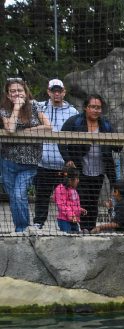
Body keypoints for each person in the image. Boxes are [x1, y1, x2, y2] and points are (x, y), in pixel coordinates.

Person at [59, 94, 121, 233]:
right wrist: (67, 159)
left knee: (93, 200)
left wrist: (117, 144)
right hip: (79, 169)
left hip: (99, 169)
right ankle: (82, 227)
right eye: (93, 107)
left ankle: (91, 228)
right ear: (86, 108)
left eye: (98, 107)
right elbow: (61, 139)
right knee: (81, 199)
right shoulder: (74, 121)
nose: (96, 110)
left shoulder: (105, 124)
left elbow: (117, 144)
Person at [1, 78, 51, 233]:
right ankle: (19, 229)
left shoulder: (35, 105)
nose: (17, 93)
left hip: (30, 162)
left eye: (20, 90)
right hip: (8, 162)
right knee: (14, 198)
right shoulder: (4, 108)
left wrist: (25, 132)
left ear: (25, 91)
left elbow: (48, 127)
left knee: (19, 195)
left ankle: (23, 229)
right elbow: (9, 128)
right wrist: (16, 107)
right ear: (8, 95)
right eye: (13, 91)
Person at [33, 78, 79, 230]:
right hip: (44, 162)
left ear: (64, 92)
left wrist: (71, 158)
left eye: (60, 91)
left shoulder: (72, 112)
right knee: (42, 196)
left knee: (68, 197)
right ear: (49, 92)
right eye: (54, 91)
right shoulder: (40, 107)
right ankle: (38, 223)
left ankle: (71, 224)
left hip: (63, 164)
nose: (57, 94)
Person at [52, 164, 86, 233]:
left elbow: (73, 203)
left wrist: (80, 209)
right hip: (64, 220)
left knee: (76, 238)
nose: (78, 181)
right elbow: (61, 205)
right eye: (76, 179)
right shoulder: (60, 189)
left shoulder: (73, 189)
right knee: (67, 238)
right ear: (70, 180)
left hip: (74, 219)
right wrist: (70, 215)